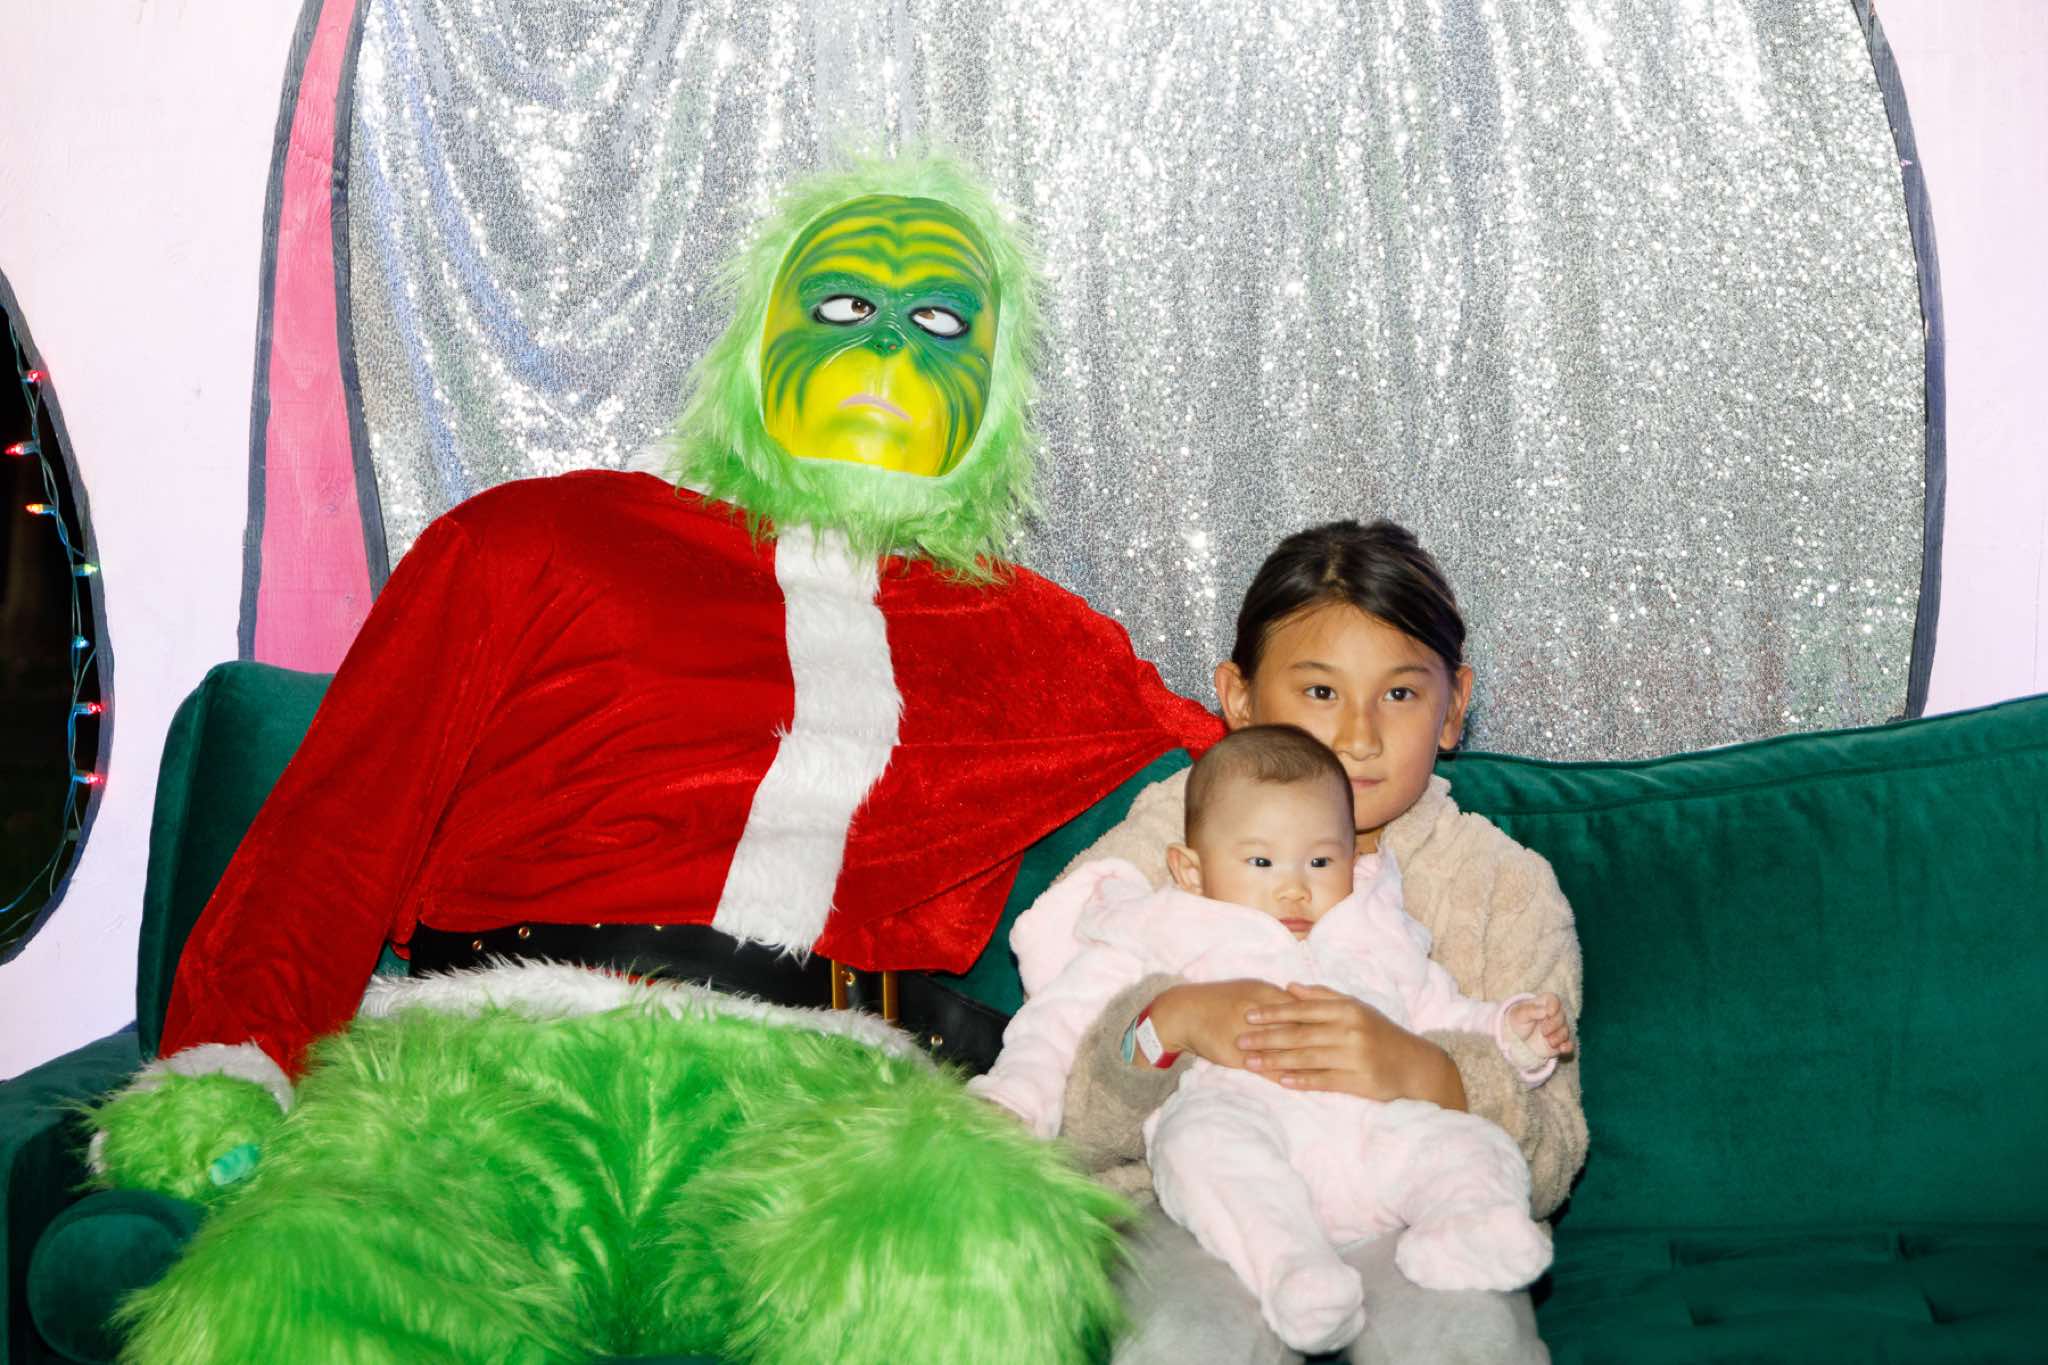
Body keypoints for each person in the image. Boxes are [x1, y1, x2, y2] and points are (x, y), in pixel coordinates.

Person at [85, 155, 1219, 1365]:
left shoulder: (1039, 639)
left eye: (939, 324)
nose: (886, 349)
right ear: (757, 339)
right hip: (479, 1069)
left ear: (993, 392)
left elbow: (1262, 760)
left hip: (825, 1104)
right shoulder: (533, 540)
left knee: (972, 1262)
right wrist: (233, 1056)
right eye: (843, 306)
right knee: (314, 1294)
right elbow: (340, 822)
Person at [1052, 518, 1589, 1364]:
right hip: (1196, 1211)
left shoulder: (1505, 886)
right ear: (1238, 699)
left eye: (1400, 695)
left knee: (1468, 1338)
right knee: (1182, 1339)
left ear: (1454, 706)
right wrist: (1173, 1020)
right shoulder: (1165, 842)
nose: (1359, 735)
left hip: (1414, 1205)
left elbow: (1553, 1154)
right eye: (1320, 691)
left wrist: (1426, 1071)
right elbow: (1065, 1110)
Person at [973, 725, 1572, 1353]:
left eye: (1321, 862)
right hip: (1248, 1121)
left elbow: (1439, 1012)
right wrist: (1016, 1096)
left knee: (1465, 1142)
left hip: (1373, 1136)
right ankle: (1293, 1269)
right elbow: (1059, 1021)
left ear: (1353, 860)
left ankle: (1472, 1226)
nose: (1295, 888)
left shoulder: (1375, 932)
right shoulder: (1165, 925)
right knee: (1197, 1143)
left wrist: (1511, 1033)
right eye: (1261, 863)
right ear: (1191, 871)